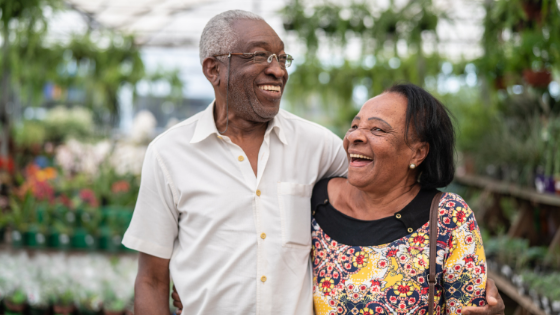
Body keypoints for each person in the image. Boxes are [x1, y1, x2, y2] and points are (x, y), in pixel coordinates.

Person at [125, 9, 505, 315]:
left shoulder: (318, 145)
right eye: (260, 56)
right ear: (213, 69)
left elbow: (385, 184)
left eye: (282, 57)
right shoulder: (169, 154)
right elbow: (152, 281)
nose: (278, 69)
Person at [310, 84, 487, 314]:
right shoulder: (316, 203)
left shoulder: (449, 216)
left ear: (418, 153)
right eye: (354, 126)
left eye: (377, 130)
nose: (354, 136)